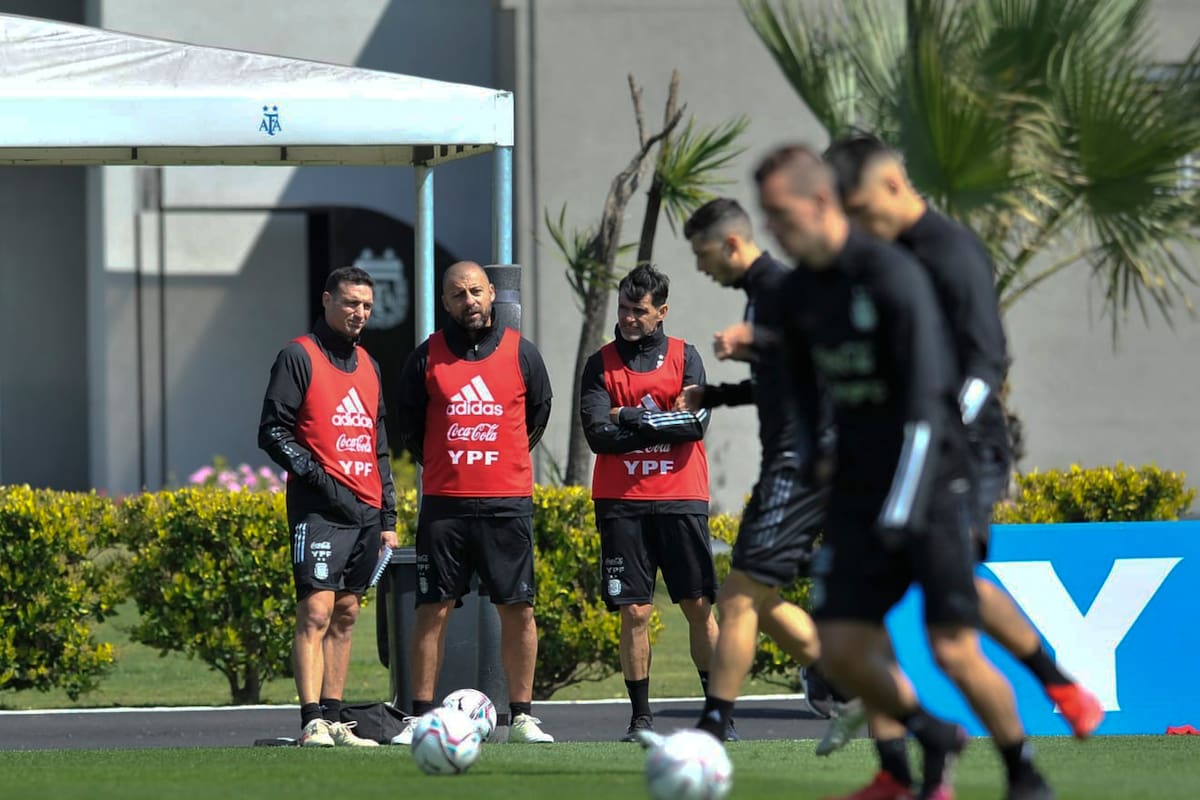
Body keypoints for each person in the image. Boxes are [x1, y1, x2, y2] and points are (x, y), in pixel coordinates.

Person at [754, 145, 1055, 800]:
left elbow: (926, 409)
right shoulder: (797, 292)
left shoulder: (895, 273)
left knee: (953, 649)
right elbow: (803, 394)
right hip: (860, 489)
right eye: (766, 219)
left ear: (821, 202)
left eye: (781, 215)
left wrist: (898, 511)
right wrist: (817, 462)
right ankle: (928, 734)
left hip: (934, 484)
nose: (773, 231)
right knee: (837, 650)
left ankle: (1023, 769)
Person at [821, 130, 1104, 778]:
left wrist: (942, 421)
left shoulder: (950, 253)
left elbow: (987, 360)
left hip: (967, 449)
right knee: (879, 621)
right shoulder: (873, 262)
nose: (859, 227)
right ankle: (900, 773)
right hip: (900, 452)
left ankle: (1050, 694)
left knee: (954, 607)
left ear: (894, 185)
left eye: (862, 211)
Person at [676, 198, 843, 744]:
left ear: (730, 244)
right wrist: (715, 393)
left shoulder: (778, 289)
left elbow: (820, 356)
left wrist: (756, 342)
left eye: (704, 255)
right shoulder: (758, 297)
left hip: (801, 465)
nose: (702, 268)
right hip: (793, 463)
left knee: (739, 595)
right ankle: (843, 676)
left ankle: (713, 721)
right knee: (757, 596)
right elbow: (781, 381)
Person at [392, 260, 554, 745]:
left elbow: (538, 415)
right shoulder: (425, 358)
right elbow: (409, 428)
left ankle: (522, 716)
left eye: (478, 292)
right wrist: (449, 464)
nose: (470, 301)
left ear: (492, 296)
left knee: (518, 608)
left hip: (508, 504)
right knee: (432, 609)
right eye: (459, 294)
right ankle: (420, 716)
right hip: (446, 505)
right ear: (445, 302)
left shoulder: (523, 354)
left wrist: (498, 462)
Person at [579, 263, 721, 742]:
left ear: (661, 312)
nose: (628, 318)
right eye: (623, 308)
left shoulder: (687, 357)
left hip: (682, 499)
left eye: (639, 311)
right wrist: (658, 419)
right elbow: (598, 435)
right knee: (634, 612)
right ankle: (640, 718)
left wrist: (631, 416)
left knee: (697, 605)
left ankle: (718, 712)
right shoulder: (600, 363)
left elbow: (695, 426)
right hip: (622, 503)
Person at [258, 265, 398, 748]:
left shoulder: (371, 366)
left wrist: (389, 517)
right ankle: (311, 719)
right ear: (326, 301)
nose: (359, 312)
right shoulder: (298, 356)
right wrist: (316, 475)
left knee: (346, 614)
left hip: (365, 511)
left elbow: (379, 447)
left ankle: (336, 719)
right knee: (315, 612)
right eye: (350, 303)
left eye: (366, 305)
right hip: (318, 509)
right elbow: (272, 432)